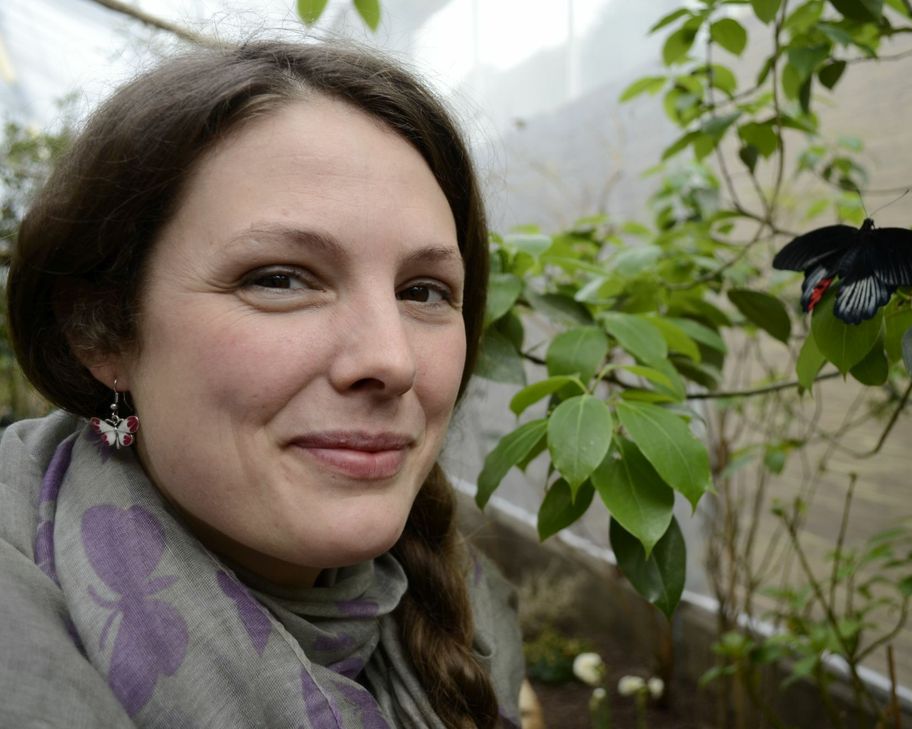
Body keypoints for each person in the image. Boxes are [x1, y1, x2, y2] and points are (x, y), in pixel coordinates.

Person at [0, 40, 524, 729]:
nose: (393, 360)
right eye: (279, 279)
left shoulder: (471, 609)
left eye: (423, 290)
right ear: (99, 330)